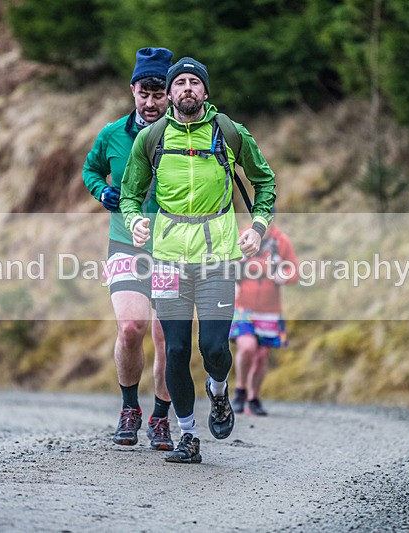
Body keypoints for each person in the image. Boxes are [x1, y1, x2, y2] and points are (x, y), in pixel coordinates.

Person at [120, 57, 276, 464]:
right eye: (180, 82)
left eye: (195, 82)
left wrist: (257, 229)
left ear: (205, 92)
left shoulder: (228, 132)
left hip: (217, 256)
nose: (187, 88)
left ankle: (219, 390)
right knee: (174, 350)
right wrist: (136, 221)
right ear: (170, 93)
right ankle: (188, 435)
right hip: (169, 257)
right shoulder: (151, 138)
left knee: (212, 347)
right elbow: (130, 194)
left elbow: (265, 182)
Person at [82, 47, 175, 451]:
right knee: (132, 327)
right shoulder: (112, 134)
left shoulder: (185, 136)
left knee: (166, 335)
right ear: (133, 90)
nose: (151, 103)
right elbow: (90, 169)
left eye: (159, 93)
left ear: (171, 93)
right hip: (126, 241)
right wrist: (102, 189)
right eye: (144, 93)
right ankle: (128, 408)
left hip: (174, 246)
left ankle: (160, 417)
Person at [229, 220, 299, 416]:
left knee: (261, 356)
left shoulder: (281, 242)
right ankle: (240, 390)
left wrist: (284, 276)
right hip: (243, 307)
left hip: (269, 310)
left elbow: (294, 270)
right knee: (247, 347)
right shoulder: (243, 236)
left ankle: (254, 398)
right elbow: (227, 263)